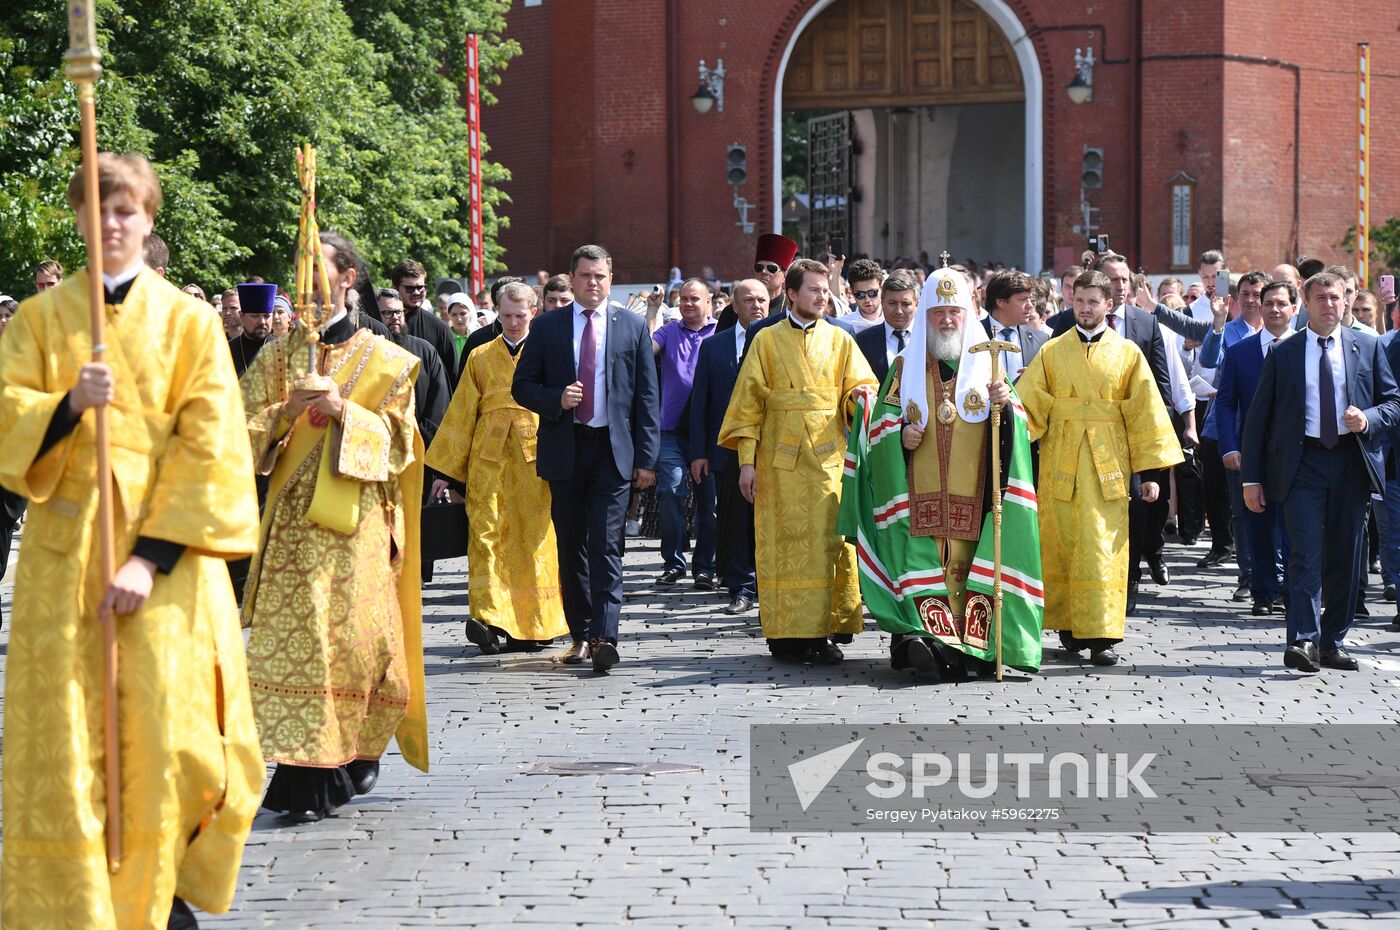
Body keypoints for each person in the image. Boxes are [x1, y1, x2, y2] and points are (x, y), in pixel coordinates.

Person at [0, 152, 263, 929]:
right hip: (64, 569)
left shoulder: (189, 323)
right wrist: (69, 404)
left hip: (166, 571)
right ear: (79, 218)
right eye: (97, 209)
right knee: (70, 745)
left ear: (148, 222)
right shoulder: (42, 321)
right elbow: (6, 413)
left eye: (126, 211)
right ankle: (76, 910)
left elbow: (211, 442)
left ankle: (161, 898)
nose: (111, 224)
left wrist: (149, 560)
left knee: (173, 741)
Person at [239, 230, 429, 822]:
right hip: (292, 534)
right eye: (298, 269)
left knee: (358, 646)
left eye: (317, 268)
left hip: (356, 527)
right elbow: (232, 435)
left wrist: (346, 412)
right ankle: (302, 773)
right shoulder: (277, 354)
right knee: (297, 648)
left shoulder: (391, 360)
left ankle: (356, 752)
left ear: (348, 278)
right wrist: (288, 410)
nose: (305, 281)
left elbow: (401, 444)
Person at [838, 267, 1043, 678]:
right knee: (924, 570)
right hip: (920, 498)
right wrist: (900, 435)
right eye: (937, 313)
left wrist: (1005, 404)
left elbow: (1019, 428)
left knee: (972, 573)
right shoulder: (903, 366)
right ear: (925, 314)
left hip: (977, 497)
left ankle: (975, 650)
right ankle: (927, 642)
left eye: (953, 311)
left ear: (967, 311)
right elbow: (881, 423)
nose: (946, 320)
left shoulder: (989, 365)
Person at [1017, 270, 1182, 666]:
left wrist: (1152, 475)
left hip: (1110, 465)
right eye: (1079, 302)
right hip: (1061, 461)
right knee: (1064, 545)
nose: (1086, 309)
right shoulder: (1052, 352)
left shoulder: (1128, 353)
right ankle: (1070, 627)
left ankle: (1104, 634)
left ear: (1109, 306)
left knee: (1104, 549)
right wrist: (1003, 405)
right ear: (1070, 303)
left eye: (1093, 302)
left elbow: (1146, 414)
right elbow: (1027, 407)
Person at [718, 258, 878, 664]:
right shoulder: (766, 340)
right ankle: (784, 634)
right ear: (790, 293)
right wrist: (747, 463)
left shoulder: (841, 339)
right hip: (778, 462)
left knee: (830, 543)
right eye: (814, 290)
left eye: (826, 291)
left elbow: (859, 385)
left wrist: (859, 399)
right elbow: (748, 406)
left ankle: (824, 630)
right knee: (780, 545)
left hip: (826, 461)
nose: (822, 297)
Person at [1241, 271, 1400, 673]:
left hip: (1351, 462)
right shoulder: (1285, 353)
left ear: (1345, 303)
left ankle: (1333, 640)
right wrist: (1252, 478)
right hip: (1302, 464)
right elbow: (1259, 419)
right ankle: (1304, 640)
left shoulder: (1367, 347)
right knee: (1304, 552)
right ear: (1305, 305)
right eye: (1321, 298)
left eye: (1335, 298)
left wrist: (1366, 418)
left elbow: (1393, 403)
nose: (1329, 304)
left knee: (1347, 555)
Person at [512, 244, 660, 673]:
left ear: (610, 279)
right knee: (571, 545)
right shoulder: (549, 327)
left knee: (607, 545)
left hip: (612, 451)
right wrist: (555, 399)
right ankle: (579, 634)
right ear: (572, 279)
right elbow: (523, 386)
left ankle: (604, 636)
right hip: (565, 446)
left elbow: (647, 397)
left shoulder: (631, 326)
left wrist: (646, 459)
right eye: (585, 276)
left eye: (600, 276)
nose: (593, 283)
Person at [427, 282, 569, 654]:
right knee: (486, 534)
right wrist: (445, 470)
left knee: (534, 537)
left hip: (536, 457)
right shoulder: (480, 355)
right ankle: (487, 618)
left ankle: (536, 622)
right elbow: (460, 413)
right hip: (487, 461)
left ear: (533, 313)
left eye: (520, 316)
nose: (512, 322)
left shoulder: (551, 354)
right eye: (505, 315)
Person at [1215, 280, 1298, 616]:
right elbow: (1225, 404)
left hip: (1298, 454)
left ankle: (1293, 592)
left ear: (1294, 308)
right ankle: (1263, 591)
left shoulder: (1307, 349)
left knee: (1296, 526)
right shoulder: (1240, 352)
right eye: (1269, 304)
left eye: (1282, 304)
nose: (1275, 310)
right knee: (1258, 523)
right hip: (1254, 455)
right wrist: (1229, 447)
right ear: (1260, 308)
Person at [691, 279, 767, 615]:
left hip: (773, 445)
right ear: (733, 305)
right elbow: (700, 400)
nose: (757, 305)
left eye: (763, 299)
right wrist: (699, 451)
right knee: (734, 519)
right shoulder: (714, 346)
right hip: (729, 448)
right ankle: (740, 584)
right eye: (748, 299)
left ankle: (768, 583)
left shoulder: (777, 342)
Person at [652, 279, 718, 587]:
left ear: (709, 303)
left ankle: (704, 565)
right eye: (684, 299)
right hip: (670, 430)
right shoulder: (669, 331)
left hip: (707, 431)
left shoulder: (720, 333)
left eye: (695, 299)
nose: (688, 304)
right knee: (670, 493)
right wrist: (653, 310)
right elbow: (646, 350)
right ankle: (673, 561)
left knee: (709, 502)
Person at [391, 259, 456, 384]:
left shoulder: (440, 329)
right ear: (395, 288)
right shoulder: (381, 323)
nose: (416, 292)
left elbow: (451, 380)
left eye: (420, 287)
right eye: (410, 288)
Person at [979, 270, 1048, 382]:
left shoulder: (1040, 340)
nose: (1030, 305)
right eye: (1023, 299)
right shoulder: (973, 335)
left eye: (1030, 298)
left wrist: (1037, 378)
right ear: (1000, 302)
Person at [854, 270, 919, 384]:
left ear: (916, 305)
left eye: (905, 304)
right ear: (882, 302)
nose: (898, 311)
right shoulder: (862, 341)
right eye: (892, 303)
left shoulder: (928, 339)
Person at [228, 281, 276, 378]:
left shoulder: (284, 349)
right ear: (241, 316)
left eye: (266, 316)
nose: (262, 321)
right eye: (255, 316)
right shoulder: (226, 351)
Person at [830, 258, 885, 335]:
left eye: (872, 293)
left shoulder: (894, 321)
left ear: (881, 288)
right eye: (860, 295)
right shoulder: (841, 326)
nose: (867, 299)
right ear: (852, 291)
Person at [753, 233, 799, 318]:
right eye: (759, 267)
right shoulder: (737, 308)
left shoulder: (794, 309)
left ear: (784, 276)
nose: (764, 271)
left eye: (771, 268)